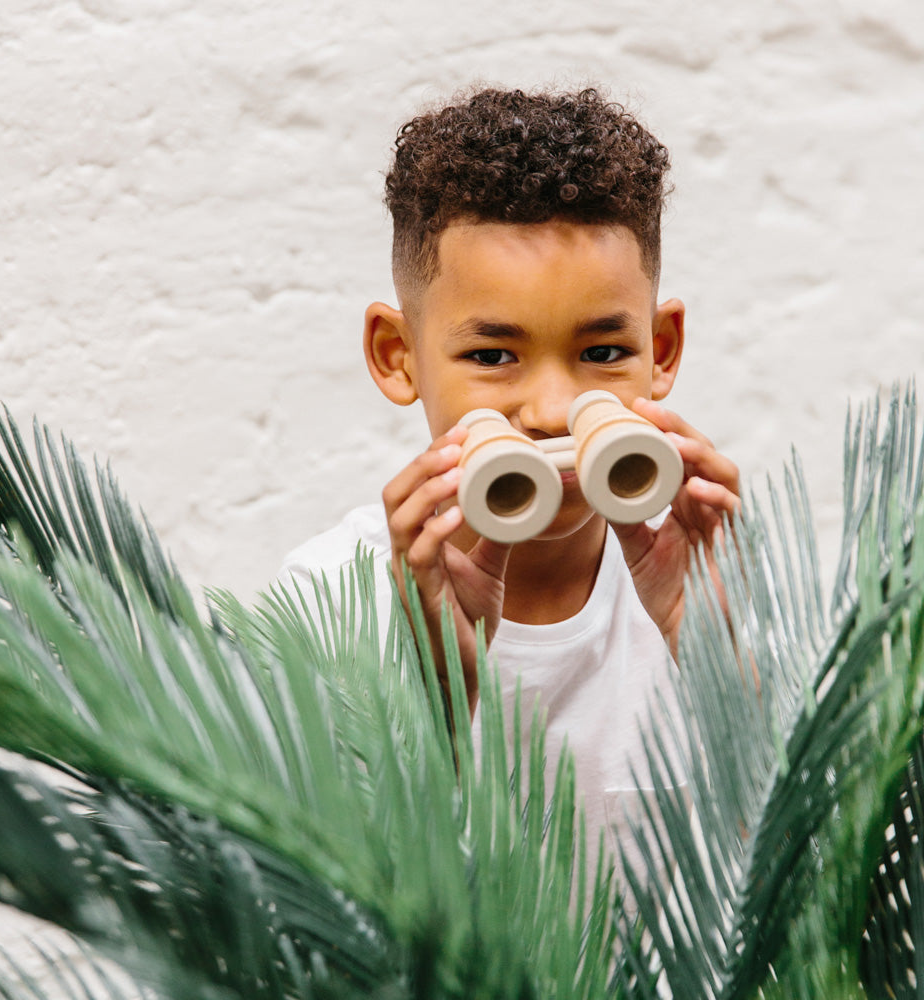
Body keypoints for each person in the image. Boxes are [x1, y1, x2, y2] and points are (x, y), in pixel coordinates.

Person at [279, 86, 740, 872]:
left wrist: (722, 658)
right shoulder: (323, 599)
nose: (554, 410)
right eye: (493, 357)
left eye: (602, 354)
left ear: (661, 351)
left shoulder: (728, 591)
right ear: (399, 356)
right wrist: (436, 707)